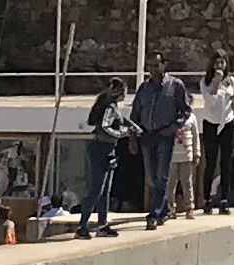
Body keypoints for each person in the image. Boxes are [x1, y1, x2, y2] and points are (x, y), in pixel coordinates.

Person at [130, 64, 192, 224]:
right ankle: (164, 210)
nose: (153, 69)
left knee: (162, 175)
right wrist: (132, 137)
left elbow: (185, 110)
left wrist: (172, 128)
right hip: (146, 135)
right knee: (151, 177)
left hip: (165, 135)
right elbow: (135, 113)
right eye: (150, 66)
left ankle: (155, 213)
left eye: (156, 65)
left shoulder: (175, 85)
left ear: (164, 66)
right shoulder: (144, 88)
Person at [79, 80, 134, 236]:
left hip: (109, 149)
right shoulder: (109, 108)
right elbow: (105, 126)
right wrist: (123, 134)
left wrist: (132, 126)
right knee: (96, 189)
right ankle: (82, 226)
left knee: (106, 191)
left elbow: (121, 120)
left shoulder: (113, 107)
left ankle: (102, 225)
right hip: (100, 148)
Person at [201, 67, 234, 210]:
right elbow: (212, 100)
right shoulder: (205, 82)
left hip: (227, 122)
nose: (220, 66)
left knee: (226, 162)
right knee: (210, 162)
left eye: (223, 62)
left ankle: (224, 199)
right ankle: (206, 199)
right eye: (217, 62)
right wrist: (216, 83)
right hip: (211, 123)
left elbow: (233, 104)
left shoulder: (231, 81)